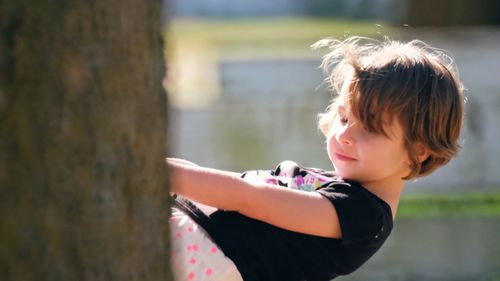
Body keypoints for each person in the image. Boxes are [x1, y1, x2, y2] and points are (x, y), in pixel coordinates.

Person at [167, 36, 465, 281]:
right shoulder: (341, 186)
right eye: (345, 117)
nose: (345, 135)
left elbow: (249, 198)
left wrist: (160, 174)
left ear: (418, 150)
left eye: (371, 129)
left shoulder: (363, 216)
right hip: (190, 234)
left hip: (200, 257)